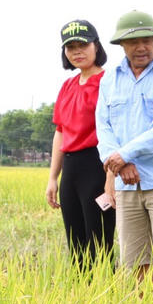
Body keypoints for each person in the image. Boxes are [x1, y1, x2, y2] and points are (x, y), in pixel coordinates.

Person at [95, 10, 153, 292]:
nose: (141, 47)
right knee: (134, 259)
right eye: (134, 42)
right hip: (125, 183)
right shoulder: (110, 79)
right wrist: (119, 164)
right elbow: (104, 127)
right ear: (121, 45)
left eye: (147, 40)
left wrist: (126, 155)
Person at [47, 19, 116, 269]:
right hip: (71, 168)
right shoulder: (68, 86)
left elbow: (116, 131)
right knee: (75, 243)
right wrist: (53, 177)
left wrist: (111, 176)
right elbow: (61, 132)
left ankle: (105, 295)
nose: (77, 51)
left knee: (99, 240)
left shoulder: (110, 83)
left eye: (83, 44)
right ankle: (81, 297)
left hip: (98, 166)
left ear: (96, 46)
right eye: (70, 47)